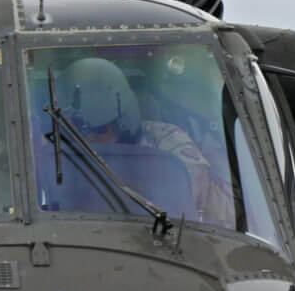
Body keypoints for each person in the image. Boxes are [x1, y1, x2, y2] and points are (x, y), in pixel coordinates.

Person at [48, 56, 234, 224]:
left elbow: (213, 211)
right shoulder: (48, 153)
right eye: (81, 130)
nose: (92, 141)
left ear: (123, 120)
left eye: (102, 130)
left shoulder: (167, 143)